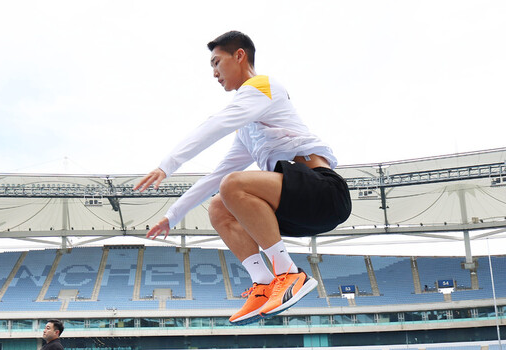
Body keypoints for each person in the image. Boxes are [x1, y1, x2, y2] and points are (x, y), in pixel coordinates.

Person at [136, 31, 352, 325]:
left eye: (216, 62)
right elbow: (216, 177)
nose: (214, 73)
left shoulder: (264, 86)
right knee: (219, 204)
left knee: (234, 185)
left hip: (324, 192)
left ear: (239, 55)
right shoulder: (247, 130)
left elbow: (217, 124)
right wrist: (173, 216)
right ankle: (263, 284)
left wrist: (167, 165)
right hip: (296, 210)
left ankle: (289, 274)